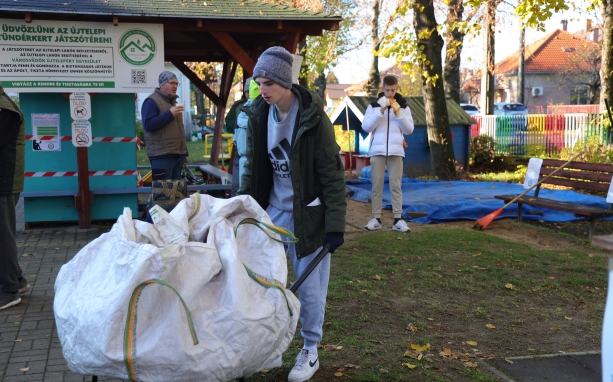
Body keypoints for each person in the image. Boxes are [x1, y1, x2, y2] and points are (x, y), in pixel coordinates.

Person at [238, 46, 347, 382]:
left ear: (285, 82)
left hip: (308, 216)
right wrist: (240, 209)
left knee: (310, 288)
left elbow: (331, 175)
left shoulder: (313, 120)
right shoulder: (257, 115)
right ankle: (271, 348)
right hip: (272, 213)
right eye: (259, 81)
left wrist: (335, 227)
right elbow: (249, 168)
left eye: (269, 81)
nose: (263, 88)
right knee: (265, 283)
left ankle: (310, 349)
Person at [361, 75, 414, 232]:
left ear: (396, 89)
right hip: (377, 150)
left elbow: (409, 130)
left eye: (393, 90)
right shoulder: (373, 106)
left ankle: (398, 219)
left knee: (395, 185)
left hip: (396, 151)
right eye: (387, 90)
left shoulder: (404, 107)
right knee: (376, 185)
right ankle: (376, 218)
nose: (390, 93)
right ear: (382, 89)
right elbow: (366, 127)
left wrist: (399, 114)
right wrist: (380, 113)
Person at [0, 83, 30, 311]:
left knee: (3, 237)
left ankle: (9, 291)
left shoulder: (5, 111)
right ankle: (18, 281)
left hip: (5, 182)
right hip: (5, 180)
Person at [141, 71, 187, 181]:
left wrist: (184, 154)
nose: (175, 86)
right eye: (172, 83)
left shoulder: (172, 103)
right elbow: (149, 125)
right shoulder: (151, 101)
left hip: (176, 155)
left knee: (175, 195)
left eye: (177, 84)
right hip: (161, 156)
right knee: (163, 195)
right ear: (162, 84)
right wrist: (169, 114)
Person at [231, 78, 260, 196]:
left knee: (240, 192)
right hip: (251, 161)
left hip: (241, 157)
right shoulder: (264, 114)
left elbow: (235, 134)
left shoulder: (242, 113)